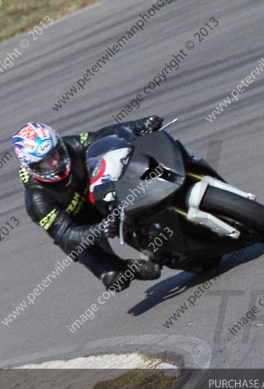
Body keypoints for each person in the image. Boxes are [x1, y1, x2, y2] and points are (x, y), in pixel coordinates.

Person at [13, 117, 164, 292]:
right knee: (116, 279)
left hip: (100, 200)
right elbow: (66, 235)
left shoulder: (70, 147)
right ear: (32, 167)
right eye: (45, 162)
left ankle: (154, 235)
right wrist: (99, 230)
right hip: (81, 231)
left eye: (55, 153)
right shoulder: (37, 199)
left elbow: (102, 136)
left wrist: (139, 125)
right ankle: (128, 267)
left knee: (153, 239)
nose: (55, 162)